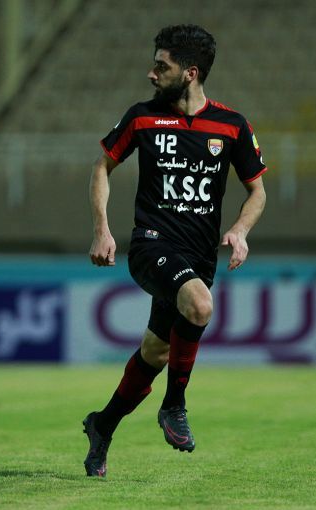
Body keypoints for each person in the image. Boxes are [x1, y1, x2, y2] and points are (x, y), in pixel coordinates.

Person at [84, 24, 267, 478]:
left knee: (156, 352)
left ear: (190, 73)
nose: (151, 74)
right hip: (151, 246)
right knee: (200, 305)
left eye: (161, 66)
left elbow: (257, 191)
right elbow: (102, 167)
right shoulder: (142, 117)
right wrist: (102, 229)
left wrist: (241, 229)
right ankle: (174, 405)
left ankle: (102, 425)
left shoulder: (232, 125)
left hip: (198, 257)